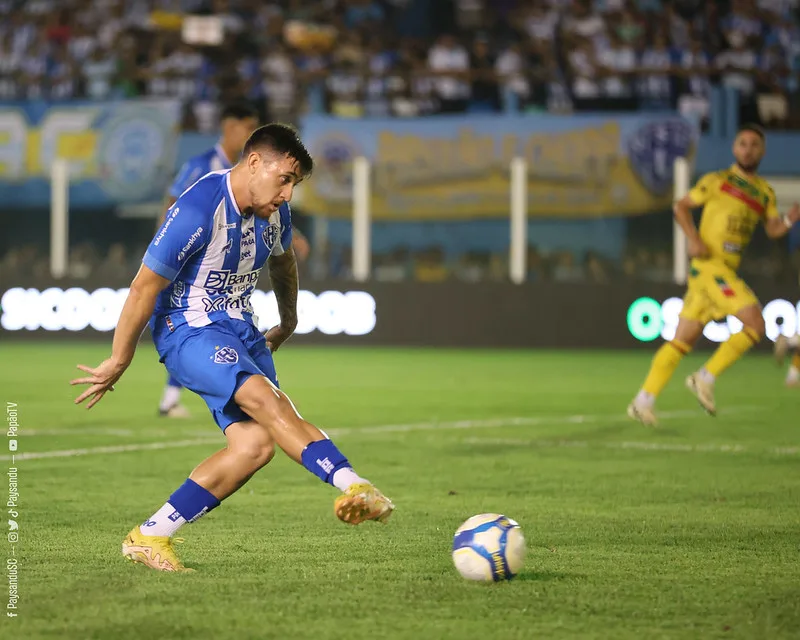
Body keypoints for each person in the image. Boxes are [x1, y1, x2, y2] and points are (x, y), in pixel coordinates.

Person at [71, 124, 394, 572]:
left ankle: (149, 536)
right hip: (188, 329)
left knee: (255, 446)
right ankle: (355, 485)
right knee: (267, 402)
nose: (287, 194)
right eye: (285, 179)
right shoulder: (199, 206)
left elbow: (283, 261)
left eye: (294, 185)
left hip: (241, 327)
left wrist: (290, 319)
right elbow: (144, 287)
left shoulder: (274, 212)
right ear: (255, 163)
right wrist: (120, 359)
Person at [628, 124, 800, 426]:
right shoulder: (717, 181)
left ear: (762, 151)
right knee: (756, 323)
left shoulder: (763, 192)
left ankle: (643, 401)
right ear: (735, 149)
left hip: (721, 271)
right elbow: (681, 206)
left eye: (754, 145)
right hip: (710, 266)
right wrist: (693, 238)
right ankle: (705, 377)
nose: (748, 149)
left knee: (682, 340)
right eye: (743, 144)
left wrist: (788, 219)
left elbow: (773, 229)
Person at [157, 102, 311, 418]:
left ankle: (178, 396)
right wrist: (166, 248)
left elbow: (263, 221)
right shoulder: (202, 165)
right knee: (194, 322)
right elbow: (175, 205)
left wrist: (289, 238)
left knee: (215, 330)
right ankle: (171, 397)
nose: (249, 132)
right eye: (245, 126)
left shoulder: (260, 175)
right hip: (191, 258)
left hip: (229, 275)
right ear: (230, 128)